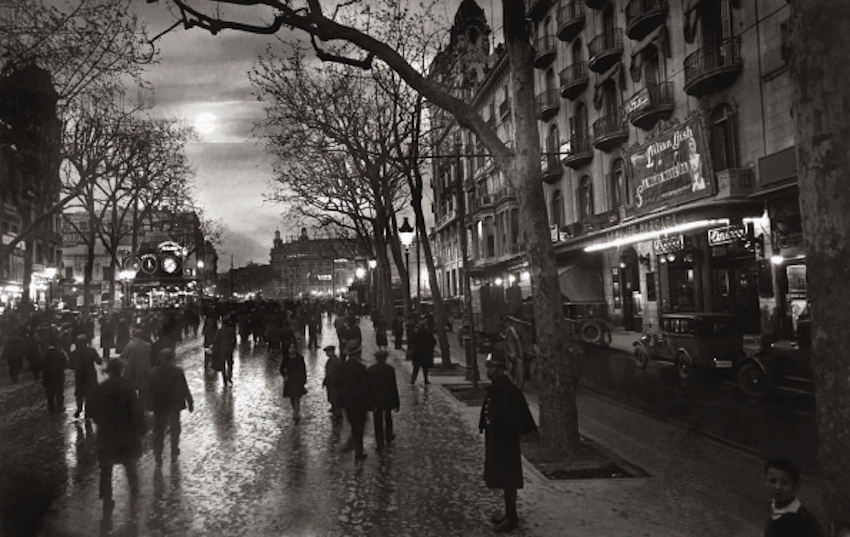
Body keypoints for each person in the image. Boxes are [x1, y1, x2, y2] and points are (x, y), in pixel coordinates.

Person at [479, 352, 537, 533]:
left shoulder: (507, 390)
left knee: (508, 479)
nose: (488, 370)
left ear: (499, 369)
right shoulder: (498, 387)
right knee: (502, 479)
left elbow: (518, 416)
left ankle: (512, 518)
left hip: (505, 442)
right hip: (497, 440)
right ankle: (508, 514)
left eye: (491, 367)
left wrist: (509, 432)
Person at [88, 359, 146, 516]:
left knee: (106, 468)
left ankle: (107, 497)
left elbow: (92, 411)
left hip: (107, 435)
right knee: (130, 464)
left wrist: (102, 424)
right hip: (126, 434)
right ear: (121, 370)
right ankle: (134, 492)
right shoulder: (127, 387)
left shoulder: (100, 388)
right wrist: (141, 429)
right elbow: (136, 411)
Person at [148, 348, 194, 465]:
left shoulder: (154, 372)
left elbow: (149, 391)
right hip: (174, 405)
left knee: (159, 432)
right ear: (173, 359)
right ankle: (174, 449)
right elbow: (184, 388)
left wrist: (149, 405)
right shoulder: (178, 372)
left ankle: (158, 455)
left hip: (160, 406)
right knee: (174, 428)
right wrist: (190, 401)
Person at [763, 457, 823, 537]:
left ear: (796, 487)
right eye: (772, 481)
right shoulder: (774, 505)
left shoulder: (802, 521)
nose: (777, 487)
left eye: (784, 483)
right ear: (766, 482)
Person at [338, 345, 369, 461]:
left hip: (347, 403)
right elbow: (367, 386)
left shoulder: (342, 367)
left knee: (354, 425)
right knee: (359, 426)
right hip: (360, 402)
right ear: (357, 353)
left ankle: (355, 448)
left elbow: (337, 384)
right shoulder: (361, 368)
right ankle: (357, 450)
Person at [367, 350, 399, 452]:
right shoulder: (390, 369)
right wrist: (396, 402)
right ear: (385, 358)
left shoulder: (371, 369)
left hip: (376, 399)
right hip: (387, 398)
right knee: (388, 418)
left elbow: (369, 387)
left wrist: (369, 402)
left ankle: (379, 443)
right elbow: (393, 386)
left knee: (377, 421)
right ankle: (388, 436)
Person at [70, 334, 103, 422]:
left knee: (80, 393)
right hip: (90, 375)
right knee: (89, 394)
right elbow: (99, 361)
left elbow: (70, 365)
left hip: (79, 375)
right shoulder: (91, 351)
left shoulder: (74, 353)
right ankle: (88, 412)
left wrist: (77, 367)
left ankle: (79, 408)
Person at [121, 329, 153, 410]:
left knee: (131, 388)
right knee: (143, 389)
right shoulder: (148, 345)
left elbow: (123, 355)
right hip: (144, 369)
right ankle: (142, 406)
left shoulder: (130, 345)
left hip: (132, 369)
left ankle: (133, 406)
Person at [279, 341, 307, 423]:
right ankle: (295, 410)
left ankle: (296, 413)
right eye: (290, 348)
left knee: (297, 397)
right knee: (292, 397)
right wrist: (284, 375)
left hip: (298, 380)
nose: (292, 349)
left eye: (293, 347)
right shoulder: (286, 358)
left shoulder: (299, 358)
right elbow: (281, 368)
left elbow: (303, 369)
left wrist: (304, 380)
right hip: (290, 380)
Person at [41, 335, 68, 415]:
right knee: (59, 392)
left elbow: (42, 365)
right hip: (58, 376)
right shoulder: (59, 353)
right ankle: (60, 407)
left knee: (50, 394)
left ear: (48, 343)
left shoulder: (45, 353)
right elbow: (65, 364)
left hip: (48, 377)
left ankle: (51, 409)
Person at [409, 320, 436, 385]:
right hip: (425, 353)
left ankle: (413, 379)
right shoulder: (428, 333)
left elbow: (411, 341)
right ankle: (426, 380)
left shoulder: (415, 333)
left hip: (417, 353)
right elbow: (433, 341)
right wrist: (430, 348)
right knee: (425, 368)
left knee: (416, 368)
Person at [212, 317, 237, 385]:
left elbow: (215, 340)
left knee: (222, 365)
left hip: (222, 350)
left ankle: (224, 379)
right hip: (229, 350)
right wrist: (232, 347)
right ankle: (229, 376)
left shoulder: (220, 330)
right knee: (230, 363)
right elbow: (234, 340)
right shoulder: (232, 330)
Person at [322, 345, 343, 419]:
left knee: (334, 398)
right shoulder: (333, 360)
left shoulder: (333, 361)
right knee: (332, 397)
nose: (327, 354)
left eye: (328, 352)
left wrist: (327, 380)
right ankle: (335, 410)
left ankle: (337, 413)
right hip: (332, 382)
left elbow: (331, 373)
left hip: (333, 382)